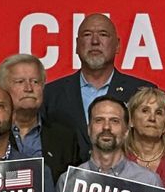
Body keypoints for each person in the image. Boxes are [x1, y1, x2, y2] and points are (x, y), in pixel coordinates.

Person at [41, 14, 156, 156]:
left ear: (117, 45)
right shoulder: (50, 94)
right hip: (65, 177)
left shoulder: (141, 93)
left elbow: (156, 147)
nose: (95, 41)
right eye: (87, 34)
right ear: (77, 45)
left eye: (103, 34)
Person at [0, 53, 80, 183]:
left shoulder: (64, 138)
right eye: (20, 82)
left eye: (35, 82)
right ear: (3, 90)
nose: (29, 88)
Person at [56, 96, 162, 191]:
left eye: (114, 121)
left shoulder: (149, 182)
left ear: (126, 131)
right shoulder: (68, 181)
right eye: (99, 120)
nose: (106, 127)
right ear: (89, 129)